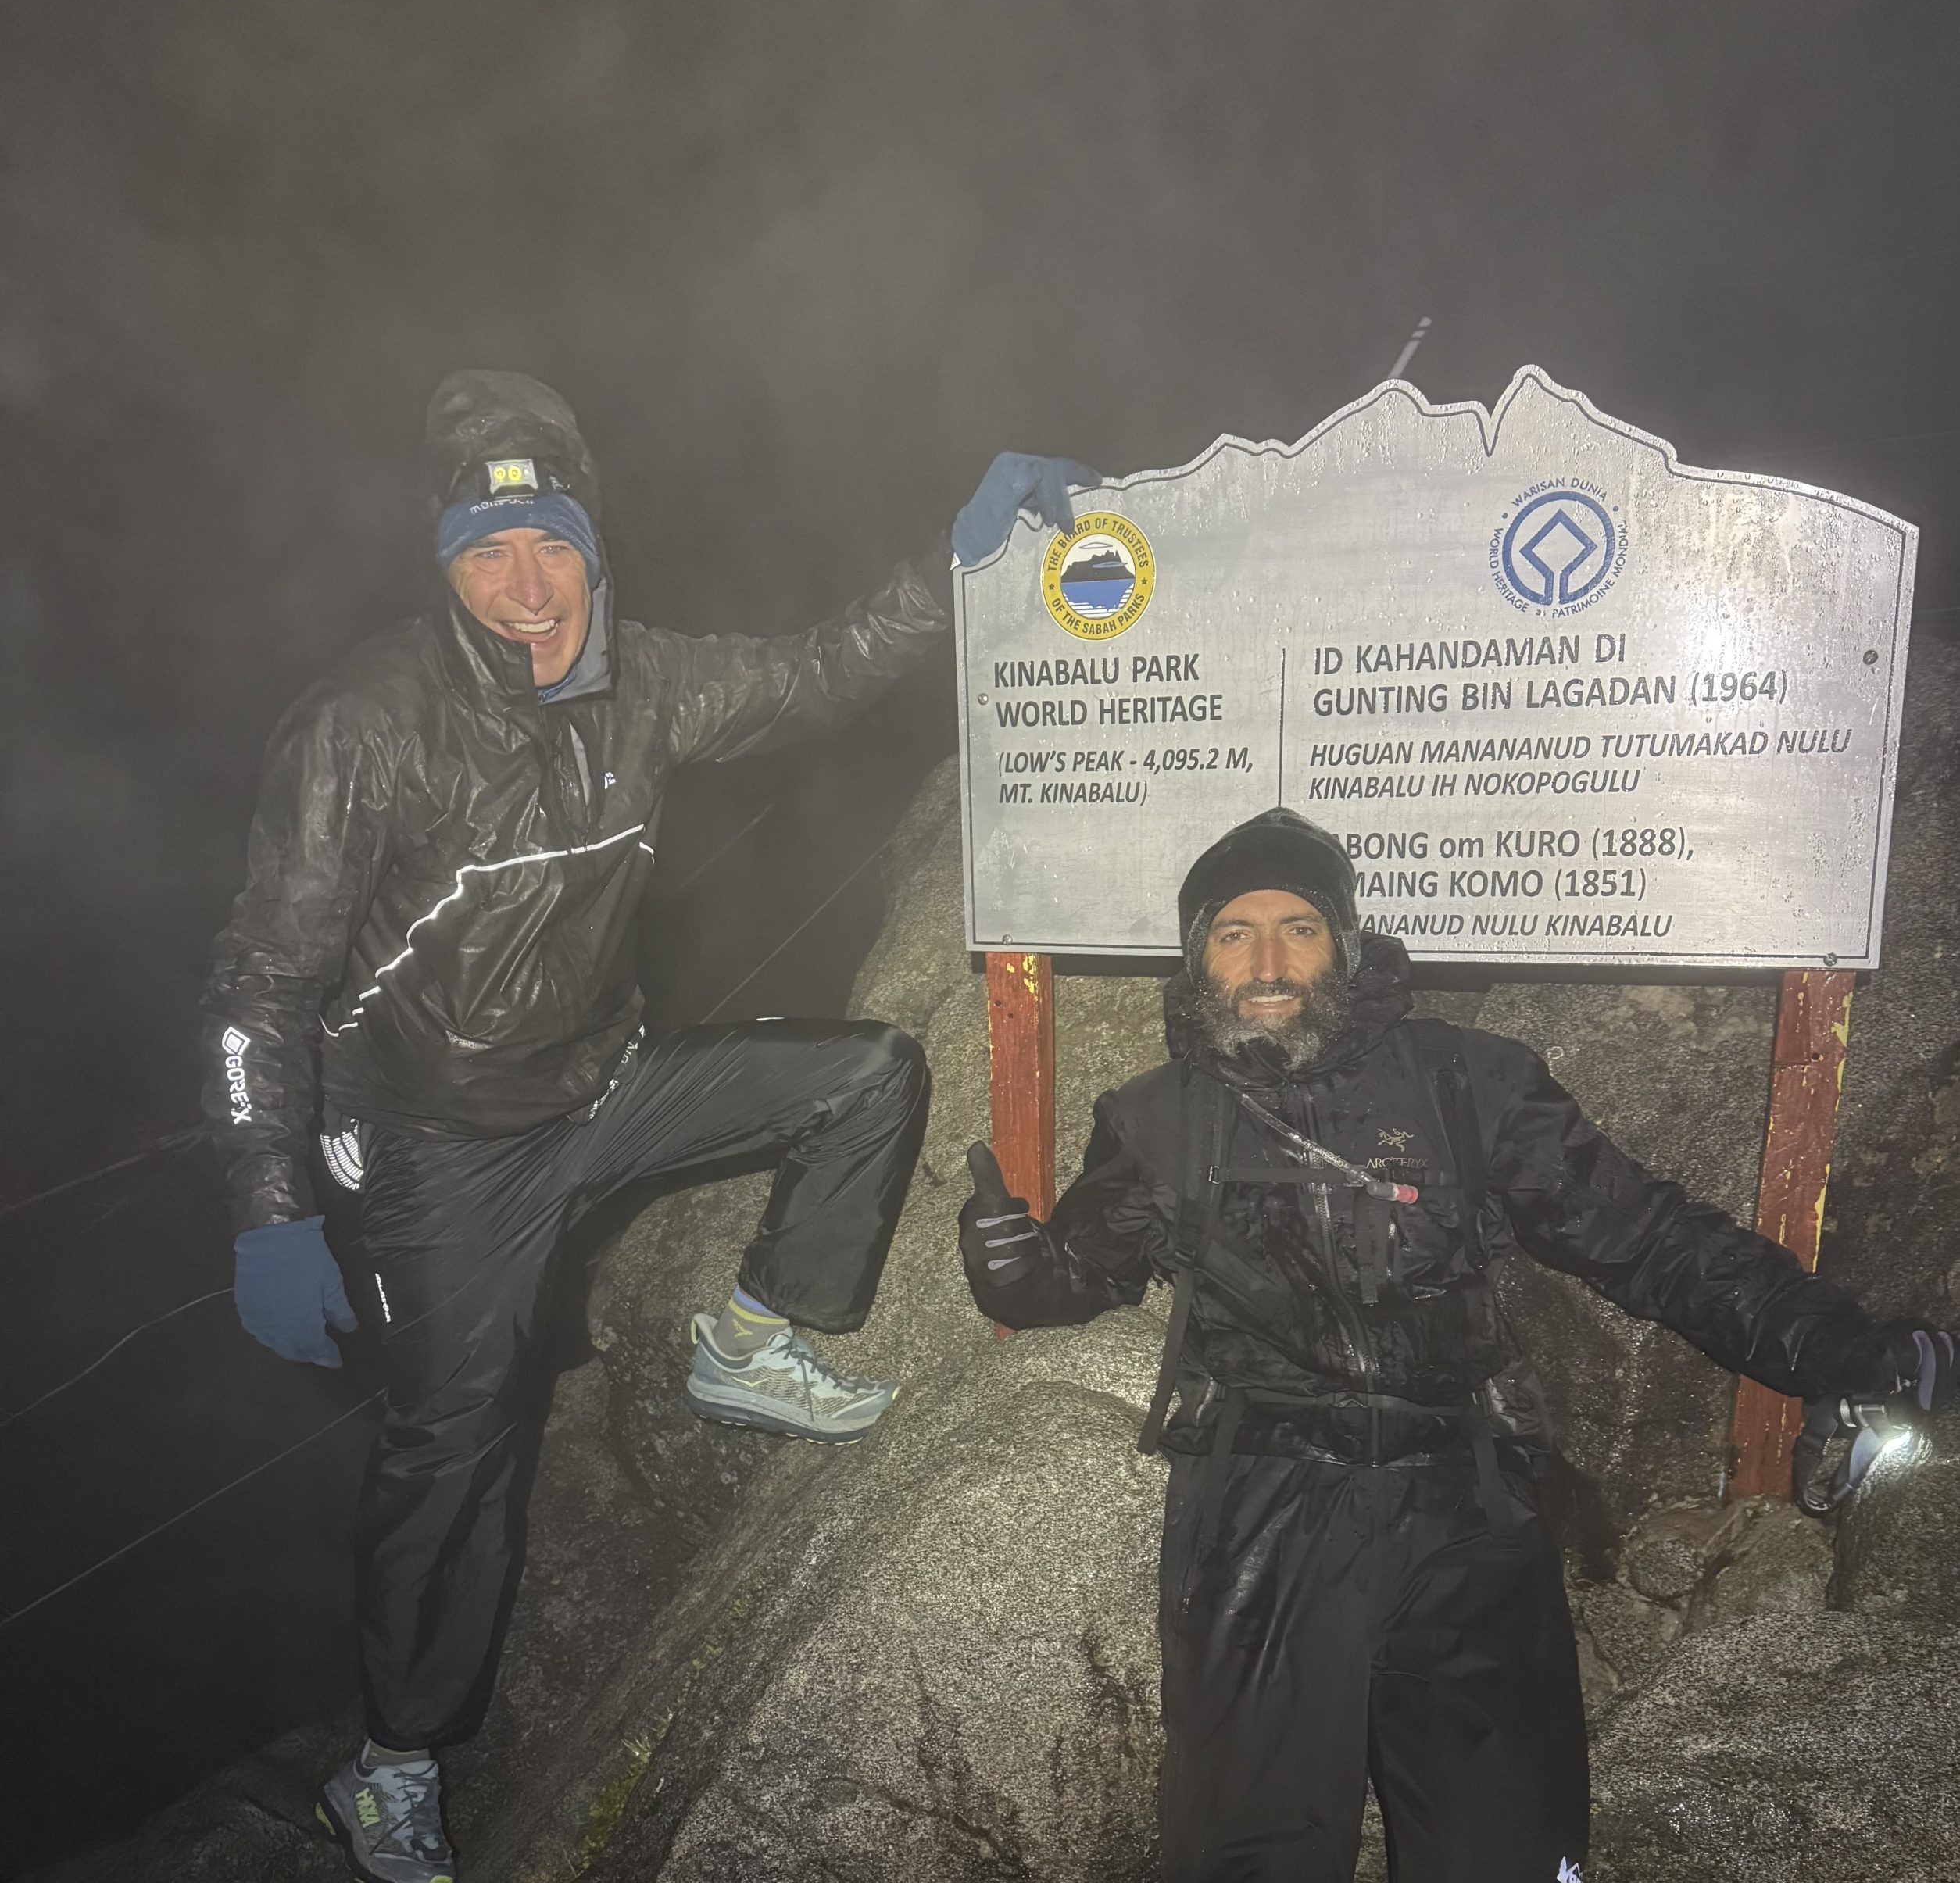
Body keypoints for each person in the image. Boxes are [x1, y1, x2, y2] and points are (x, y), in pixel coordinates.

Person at [203, 366, 1093, 1883]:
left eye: (550, 544)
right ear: (444, 567)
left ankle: (750, 1340)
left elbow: (819, 674)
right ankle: (392, 1763)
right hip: (439, 1147)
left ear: (592, 546)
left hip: (601, 1084)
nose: (525, 585)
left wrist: (953, 565)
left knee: (869, 1074)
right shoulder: (366, 724)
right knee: (457, 1446)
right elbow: (257, 986)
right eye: (487, 553)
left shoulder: (651, 681)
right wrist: (269, 1209)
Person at [958, 806, 1955, 1883]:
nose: (1268, 963)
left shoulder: (1466, 1081)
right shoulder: (1156, 1118)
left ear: (1344, 942)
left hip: (1466, 1509)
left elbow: (1650, 1238)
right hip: (1259, 1517)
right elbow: (1083, 1272)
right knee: (1249, 1854)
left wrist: (1842, 1350)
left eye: (1298, 929)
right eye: (1235, 933)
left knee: (1508, 1851)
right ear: (1200, 956)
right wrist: (1015, 1270)